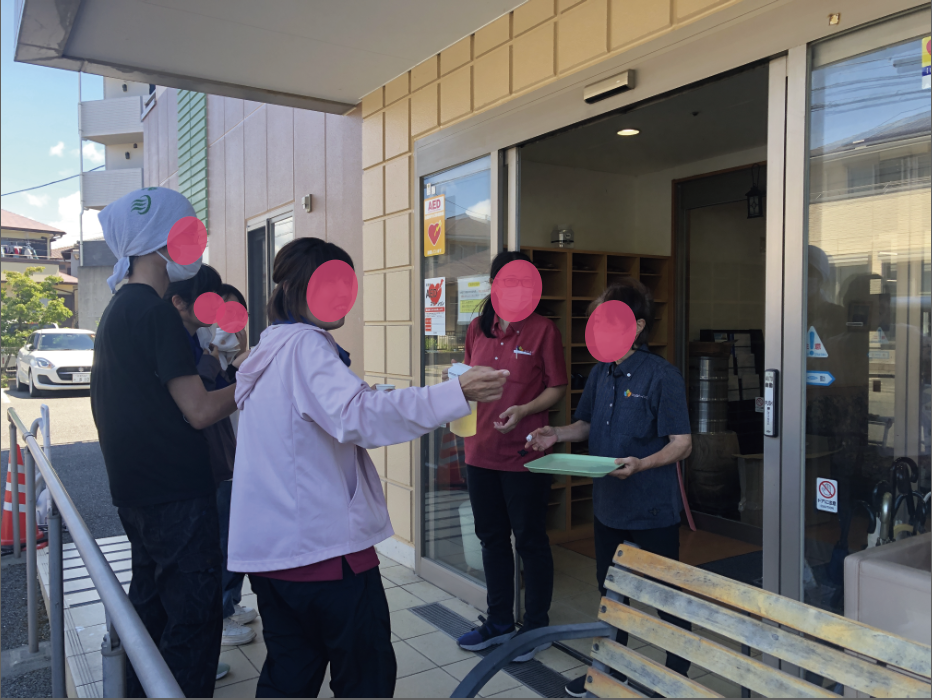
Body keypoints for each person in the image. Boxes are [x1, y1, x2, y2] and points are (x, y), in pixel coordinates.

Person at [228, 237, 509, 698]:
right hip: (326, 553)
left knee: (289, 675)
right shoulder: (306, 347)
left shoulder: (271, 349)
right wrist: (455, 394)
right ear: (297, 290)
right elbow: (359, 417)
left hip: (275, 555)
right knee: (366, 677)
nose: (342, 295)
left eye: (347, 284)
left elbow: (327, 416)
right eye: (329, 284)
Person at [91, 187, 237, 697]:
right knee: (193, 622)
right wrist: (253, 379)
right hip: (177, 495)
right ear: (159, 241)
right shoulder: (156, 313)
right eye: (188, 233)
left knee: (151, 613)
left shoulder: (117, 309)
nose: (196, 242)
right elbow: (200, 410)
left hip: (137, 493)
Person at [526, 279, 693, 698]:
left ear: (638, 325)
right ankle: (611, 671)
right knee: (612, 595)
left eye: (609, 319)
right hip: (608, 508)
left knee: (665, 599)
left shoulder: (663, 376)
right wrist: (555, 434)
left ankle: (675, 680)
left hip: (652, 510)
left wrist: (642, 464)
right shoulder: (601, 373)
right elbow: (585, 424)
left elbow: (682, 443)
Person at [455, 251, 567, 661]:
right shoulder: (477, 329)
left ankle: (536, 627)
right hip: (479, 451)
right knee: (491, 539)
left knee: (531, 540)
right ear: (493, 285)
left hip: (525, 454)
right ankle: (499, 621)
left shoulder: (543, 330)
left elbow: (557, 387)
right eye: (508, 281)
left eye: (523, 282)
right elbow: (466, 381)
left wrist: (524, 410)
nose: (516, 289)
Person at [163, 266, 258, 647]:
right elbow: (200, 407)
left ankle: (229, 604)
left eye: (237, 316)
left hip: (236, 461)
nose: (229, 324)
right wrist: (221, 361)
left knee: (234, 537)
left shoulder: (232, 357)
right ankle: (219, 615)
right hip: (213, 466)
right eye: (221, 313)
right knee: (219, 542)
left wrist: (237, 364)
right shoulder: (191, 352)